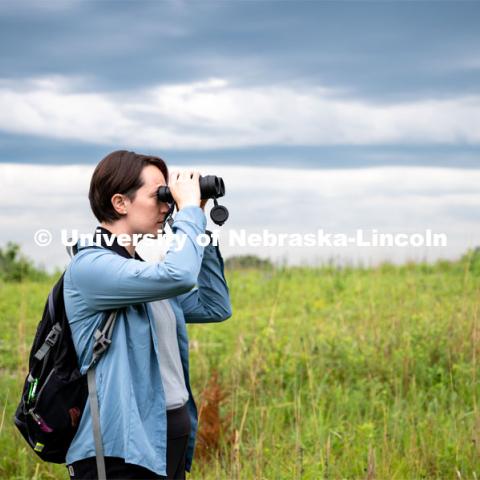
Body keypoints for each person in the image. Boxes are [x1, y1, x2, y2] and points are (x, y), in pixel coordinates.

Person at [63, 150, 232, 479]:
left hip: (170, 435)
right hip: (122, 448)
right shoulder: (92, 268)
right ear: (120, 203)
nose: (167, 206)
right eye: (159, 196)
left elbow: (215, 306)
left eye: (169, 197)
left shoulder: (140, 275)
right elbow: (180, 275)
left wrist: (197, 221)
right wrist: (188, 216)